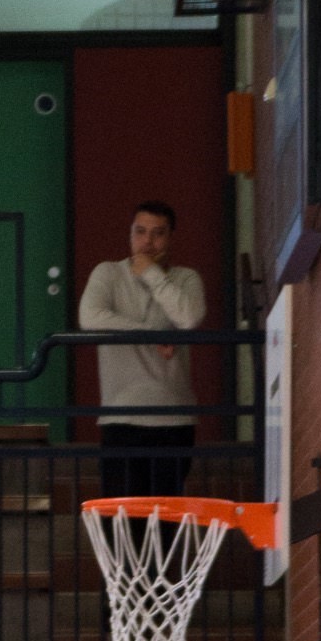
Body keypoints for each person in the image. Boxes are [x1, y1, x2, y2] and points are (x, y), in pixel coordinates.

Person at [78, 200, 206, 496]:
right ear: (130, 234)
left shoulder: (186, 278)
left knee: (166, 513)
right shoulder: (108, 273)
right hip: (121, 416)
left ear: (170, 237)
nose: (147, 241)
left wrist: (151, 273)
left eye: (158, 233)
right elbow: (89, 317)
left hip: (174, 416)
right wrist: (152, 335)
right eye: (140, 231)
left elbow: (189, 317)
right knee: (121, 514)